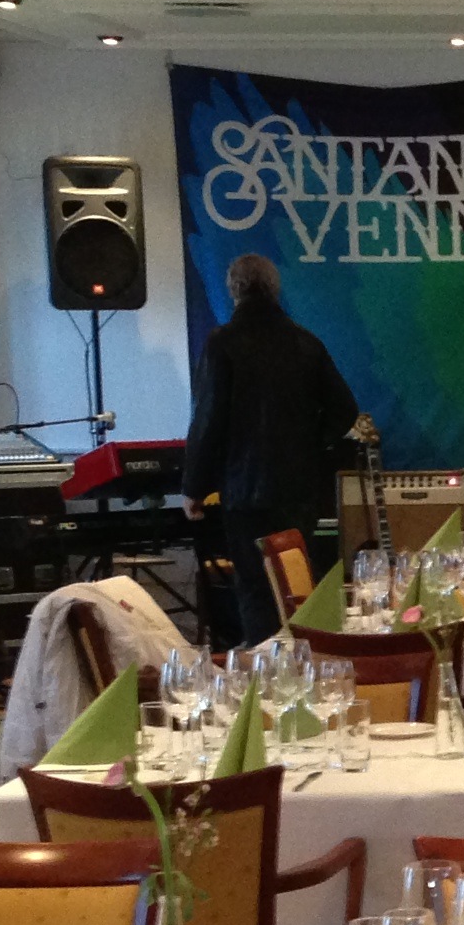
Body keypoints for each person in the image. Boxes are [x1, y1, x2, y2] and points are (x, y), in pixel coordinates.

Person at [184, 252, 357, 644]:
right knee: (295, 581)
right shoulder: (306, 342)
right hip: (298, 489)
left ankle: (265, 664)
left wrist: (194, 487)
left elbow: (208, 418)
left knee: (254, 585)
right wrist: (310, 442)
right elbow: (345, 409)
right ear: (276, 291)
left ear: (234, 291)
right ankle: (303, 656)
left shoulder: (222, 343)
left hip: (244, 489)